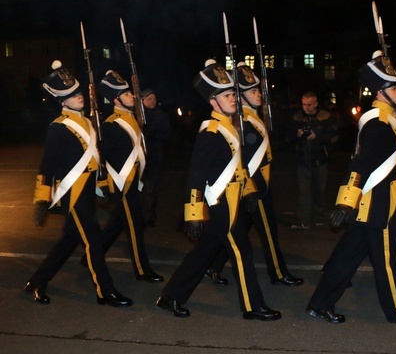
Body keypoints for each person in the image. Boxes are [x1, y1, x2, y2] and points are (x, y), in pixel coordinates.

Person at [306, 53, 396, 325]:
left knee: (346, 258)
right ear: (382, 93)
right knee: (385, 261)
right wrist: (345, 201)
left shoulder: (385, 118)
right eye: (395, 88)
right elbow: (360, 164)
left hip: (375, 200)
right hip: (378, 202)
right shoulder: (378, 122)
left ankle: (319, 304)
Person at [156, 60, 280, 321]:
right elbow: (196, 176)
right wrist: (193, 213)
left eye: (233, 94)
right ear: (213, 102)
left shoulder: (230, 126)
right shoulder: (211, 132)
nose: (233, 99)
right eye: (226, 95)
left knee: (202, 253)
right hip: (219, 204)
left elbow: (238, 166)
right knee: (242, 252)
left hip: (232, 200)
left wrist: (248, 193)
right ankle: (252, 306)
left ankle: (170, 296)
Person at [25, 60, 132, 307]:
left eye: (79, 92)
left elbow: (95, 159)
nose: (79, 97)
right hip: (72, 192)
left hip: (87, 191)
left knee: (68, 241)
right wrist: (42, 198)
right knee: (94, 240)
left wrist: (103, 186)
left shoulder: (88, 121)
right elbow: (47, 166)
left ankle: (37, 281)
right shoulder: (58, 128)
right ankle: (106, 292)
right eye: (72, 96)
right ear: (62, 102)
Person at [205, 62, 303, 287]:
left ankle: (212, 266)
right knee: (268, 231)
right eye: (252, 92)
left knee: (236, 230)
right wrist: (250, 187)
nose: (258, 94)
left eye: (258, 90)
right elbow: (242, 159)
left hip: (259, 183)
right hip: (254, 186)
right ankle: (278, 273)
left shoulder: (254, 117)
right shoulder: (243, 122)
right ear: (242, 97)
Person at [96, 70, 163, 283]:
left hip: (133, 180)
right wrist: (102, 184)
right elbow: (100, 157)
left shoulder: (131, 118)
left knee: (117, 223)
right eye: (127, 95)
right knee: (135, 224)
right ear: (116, 100)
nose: (132, 97)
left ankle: (93, 254)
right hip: (121, 183)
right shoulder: (111, 124)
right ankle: (142, 270)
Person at [285, 91, 338, 229]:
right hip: (302, 160)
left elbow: (334, 135)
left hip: (320, 159)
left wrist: (317, 137)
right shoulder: (296, 117)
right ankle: (303, 220)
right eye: (304, 104)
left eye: (309, 104)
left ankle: (318, 217)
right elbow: (287, 136)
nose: (306, 107)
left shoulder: (326, 117)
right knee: (304, 192)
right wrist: (297, 134)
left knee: (320, 190)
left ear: (316, 104)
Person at [140, 88, 171, 227]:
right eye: (149, 99)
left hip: (154, 156)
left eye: (154, 99)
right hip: (139, 157)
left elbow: (167, 134)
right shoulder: (138, 115)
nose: (152, 101)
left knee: (152, 188)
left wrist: (153, 134)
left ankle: (150, 216)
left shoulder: (161, 115)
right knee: (138, 188)